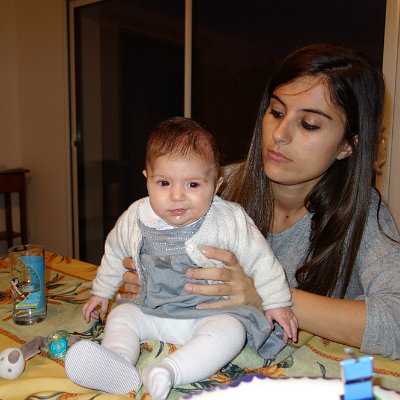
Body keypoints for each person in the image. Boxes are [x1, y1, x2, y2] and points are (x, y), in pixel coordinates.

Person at [122, 43, 400, 360]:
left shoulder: (364, 214)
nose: (280, 133)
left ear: (348, 146)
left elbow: (395, 322)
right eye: (277, 112)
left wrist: (263, 294)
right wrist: (148, 273)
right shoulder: (215, 187)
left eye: (309, 124)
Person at [64, 117, 298, 399]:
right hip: (151, 309)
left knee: (231, 331)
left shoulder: (228, 220)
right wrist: (102, 292)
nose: (177, 196)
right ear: (147, 180)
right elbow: (114, 251)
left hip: (207, 314)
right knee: (122, 316)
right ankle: (118, 361)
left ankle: (170, 371)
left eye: (193, 185)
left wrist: (276, 302)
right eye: (164, 182)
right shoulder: (135, 218)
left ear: (216, 185)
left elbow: (261, 259)